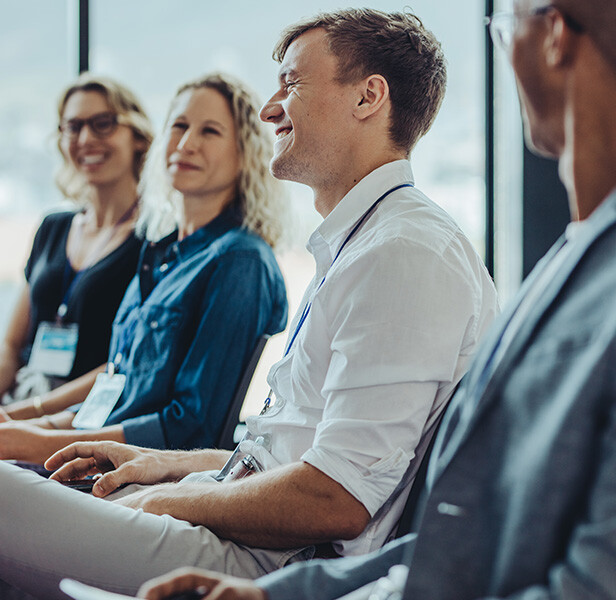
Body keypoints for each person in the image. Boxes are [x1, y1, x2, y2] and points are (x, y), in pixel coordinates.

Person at [135, 1, 616, 599]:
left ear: (554, 37)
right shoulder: (576, 255)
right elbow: (466, 536)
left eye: (503, 26)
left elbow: (613, 585)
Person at [0, 9, 497, 598]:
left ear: (369, 98)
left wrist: (177, 500)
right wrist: (170, 467)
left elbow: (336, 500)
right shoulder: (363, 244)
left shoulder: (404, 253)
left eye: (292, 82)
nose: (269, 107)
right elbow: (291, 452)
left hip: (261, 562)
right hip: (242, 526)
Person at [0, 72, 288, 463]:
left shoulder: (240, 260)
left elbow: (190, 427)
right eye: (180, 126)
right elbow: (115, 384)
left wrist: (31, 442)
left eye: (210, 132)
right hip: (90, 457)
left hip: (143, 481)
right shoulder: (162, 254)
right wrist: (30, 428)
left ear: (245, 153)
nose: (186, 144)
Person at [0, 74, 152, 417]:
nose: (86, 139)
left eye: (103, 124)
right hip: (20, 405)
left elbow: (124, 362)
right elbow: (11, 345)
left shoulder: (153, 241)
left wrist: (23, 417)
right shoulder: (53, 227)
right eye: (73, 127)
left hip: (80, 418)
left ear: (138, 136)